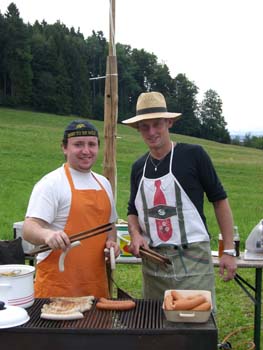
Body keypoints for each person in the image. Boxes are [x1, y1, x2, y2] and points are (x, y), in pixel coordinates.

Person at [122, 91, 237, 307]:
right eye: (144, 127)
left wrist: (229, 251)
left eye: (157, 124)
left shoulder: (194, 155)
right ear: (138, 129)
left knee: (196, 326)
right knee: (156, 326)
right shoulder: (139, 168)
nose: (152, 132)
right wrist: (135, 235)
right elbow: (132, 211)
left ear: (169, 122)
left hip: (193, 258)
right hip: (154, 263)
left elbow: (219, 200)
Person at [23, 120, 119, 298]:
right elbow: (29, 228)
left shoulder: (104, 183)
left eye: (91, 144)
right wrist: (48, 235)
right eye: (78, 145)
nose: (86, 151)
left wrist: (111, 243)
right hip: (57, 288)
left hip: (96, 287)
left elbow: (109, 226)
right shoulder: (51, 183)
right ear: (64, 148)